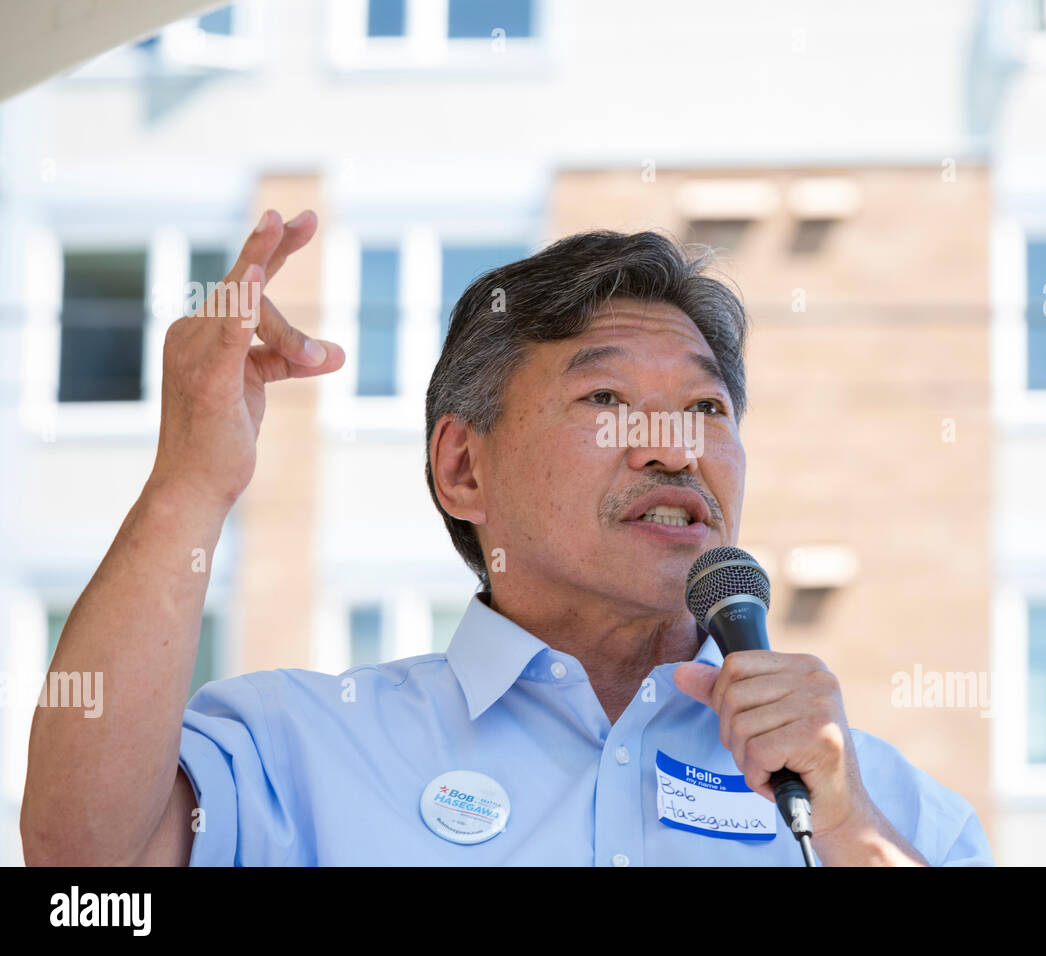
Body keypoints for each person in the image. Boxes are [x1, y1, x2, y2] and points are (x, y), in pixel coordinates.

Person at [21, 210, 994, 866]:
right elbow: (83, 862)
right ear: (463, 469)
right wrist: (192, 474)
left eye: (704, 405)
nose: (672, 448)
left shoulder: (886, 808)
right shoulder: (298, 750)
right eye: (606, 398)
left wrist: (845, 824)